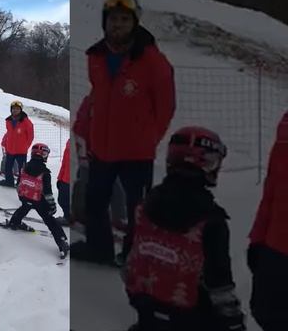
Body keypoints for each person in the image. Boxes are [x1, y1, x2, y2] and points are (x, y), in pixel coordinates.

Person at [70, 0, 175, 266]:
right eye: (113, 19)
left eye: (124, 20)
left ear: (134, 23)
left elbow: (166, 107)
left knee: (137, 208)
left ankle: (133, 255)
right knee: (95, 201)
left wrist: (149, 138)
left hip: (136, 152)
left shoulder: (153, 60)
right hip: (102, 148)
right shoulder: (97, 57)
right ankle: (99, 249)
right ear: (105, 23)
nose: (118, 25)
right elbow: (97, 98)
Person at [123, 126, 245, 331]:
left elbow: (127, 257)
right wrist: (235, 324)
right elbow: (220, 283)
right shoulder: (211, 221)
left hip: (145, 304)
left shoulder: (145, 205)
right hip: (190, 316)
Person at [248, 111, 288, 331]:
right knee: (265, 312)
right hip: (276, 247)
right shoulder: (286, 127)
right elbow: (272, 187)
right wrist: (258, 238)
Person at [0, 143, 69, 259]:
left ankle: (14, 222)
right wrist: (52, 206)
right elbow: (47, 193)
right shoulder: (45, 172)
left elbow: (20, 182)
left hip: (25, 196)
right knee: (49, 220)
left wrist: (22, 195)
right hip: (38, 200)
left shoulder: (25, 166)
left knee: (25, 207)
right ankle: (62, 242)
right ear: (44, 155)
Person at [72, 94, 127, 229]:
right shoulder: (91, 101)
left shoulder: (115, 101)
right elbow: (80, 127)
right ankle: (80, 213)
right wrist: (84, 151)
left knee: (114, 184)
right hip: (89, 149)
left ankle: (118, 217)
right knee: (85, 180)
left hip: (105, 151)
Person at [0, 100, 34, 187]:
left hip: (21, 151)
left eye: (17, 109)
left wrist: (26, 146)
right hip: (10, 149)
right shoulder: (8, 121)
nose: (15, 110)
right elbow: (8, 133)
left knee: (22, 169)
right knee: (8, 167)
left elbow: (31, 136)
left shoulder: (26, 122)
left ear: (20, 110)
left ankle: (20, 183)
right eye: (13, 109)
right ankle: (9, 181)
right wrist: (5, 143)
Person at [55, 138, 70, 226]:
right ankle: (68, 217)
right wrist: (60, 177)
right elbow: (65, 162)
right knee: (62, 199)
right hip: (65, 177)